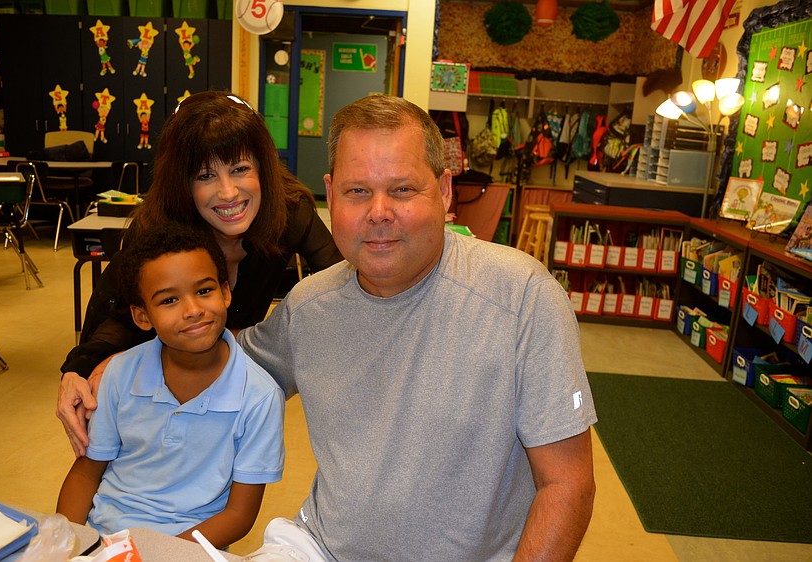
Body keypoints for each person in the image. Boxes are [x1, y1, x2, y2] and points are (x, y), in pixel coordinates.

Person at [238, 95, 597, 561]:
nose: (379, 212)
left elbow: (567, 484)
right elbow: (215, 367)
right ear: (331, 196)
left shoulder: (522, 297)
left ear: (445, 191)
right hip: (322, 549)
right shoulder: (308, 307)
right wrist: (120, 364)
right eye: (357, 191)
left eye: (403, 190)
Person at [57, 91, 343, 457]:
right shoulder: (159, 226)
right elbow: (109, 317)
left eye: (240, 169)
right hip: (169, 371)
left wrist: (245, 337)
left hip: (233, 373)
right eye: (206, 175)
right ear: (183, 183)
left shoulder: (290, 210)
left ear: (262, 167)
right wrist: (75, 373)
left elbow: (341, 287)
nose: (228, 193)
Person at [57, 222, 284, 549]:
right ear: (142, 316)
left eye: (204, 291)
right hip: (102, 536)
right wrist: (69, 543)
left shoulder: (260, 396)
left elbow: (239, 515)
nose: (193, 311)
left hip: (187, 547)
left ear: (225, 292)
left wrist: (156, 555)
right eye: (168, 300)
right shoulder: (120, 373)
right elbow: (86, 473)